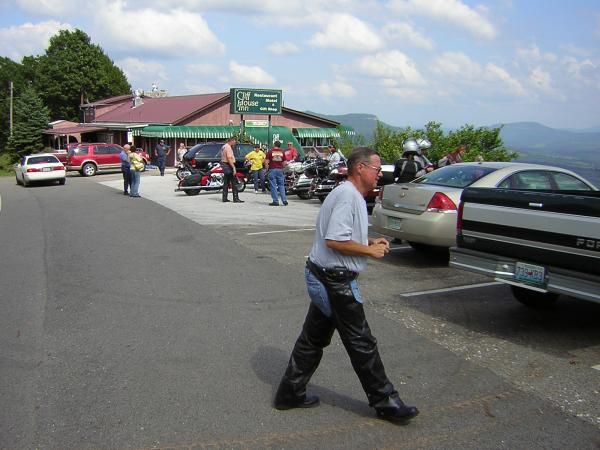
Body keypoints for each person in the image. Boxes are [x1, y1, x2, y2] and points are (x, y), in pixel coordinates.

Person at [273, 146, 419, 424]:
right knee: (361, 342)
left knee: (313, 339)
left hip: (325, 276)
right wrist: (369, 252)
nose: (379, 174)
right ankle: (386, 401)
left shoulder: (347, 194)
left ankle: (289, 393)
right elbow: (334, 241)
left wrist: (367, 242)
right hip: (334, 281)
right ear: (360, 168)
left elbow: (341, 237)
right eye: (377, 169)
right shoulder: (347, 197)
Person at [220, 137, 244, 203]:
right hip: (228, 165)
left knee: (226, 183)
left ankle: (224, 198)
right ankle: (236, 198)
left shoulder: (224, 146)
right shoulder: (228, 147)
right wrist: (233, 167)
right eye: (234, 141)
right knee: (234, 182)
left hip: (224, 165)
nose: (235, 143)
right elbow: (229, 158)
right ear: (231, 141)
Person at [265, 141, 288, 206]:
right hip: (280, 170)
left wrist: (267, 170)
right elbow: (285, 162)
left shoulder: (270, 152)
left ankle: (275, 201)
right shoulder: (282, 152)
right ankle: (284, 200)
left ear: (274, 144)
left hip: (272, 169)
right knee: (281, 185)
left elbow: (266, 162)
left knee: (273, 186)